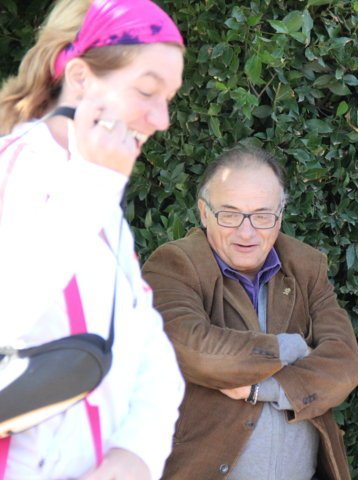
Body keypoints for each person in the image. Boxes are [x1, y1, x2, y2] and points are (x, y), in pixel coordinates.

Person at [0, 0, 185, 478]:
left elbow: (152, 356)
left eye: (169, 97)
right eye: (147, 91)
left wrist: (132, 460)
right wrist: (94, 185)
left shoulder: (100, 195)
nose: (162, 119)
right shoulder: (14, 167)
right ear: (80, 78)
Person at [141, 145, 358, 480]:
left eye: (262, 216)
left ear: (280, 215)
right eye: (230, 215)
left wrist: (262, 389)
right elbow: (195, 351)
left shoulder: (306, 267)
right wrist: (290, 348)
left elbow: (345, 366)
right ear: (204, 213)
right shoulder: (174, 265)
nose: (246, 232)